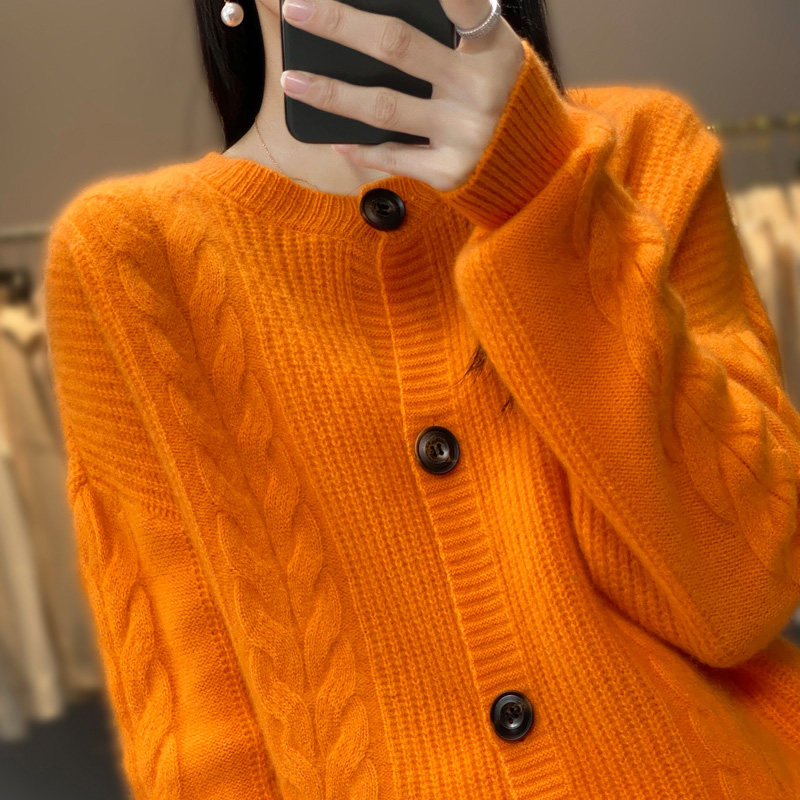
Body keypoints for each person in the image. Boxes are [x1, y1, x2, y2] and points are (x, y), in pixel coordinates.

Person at [42, 0, 800, 798]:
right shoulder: (128, 258)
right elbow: (206, 739)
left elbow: (741, 598)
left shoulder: (631, 148)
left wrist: (536, 184)